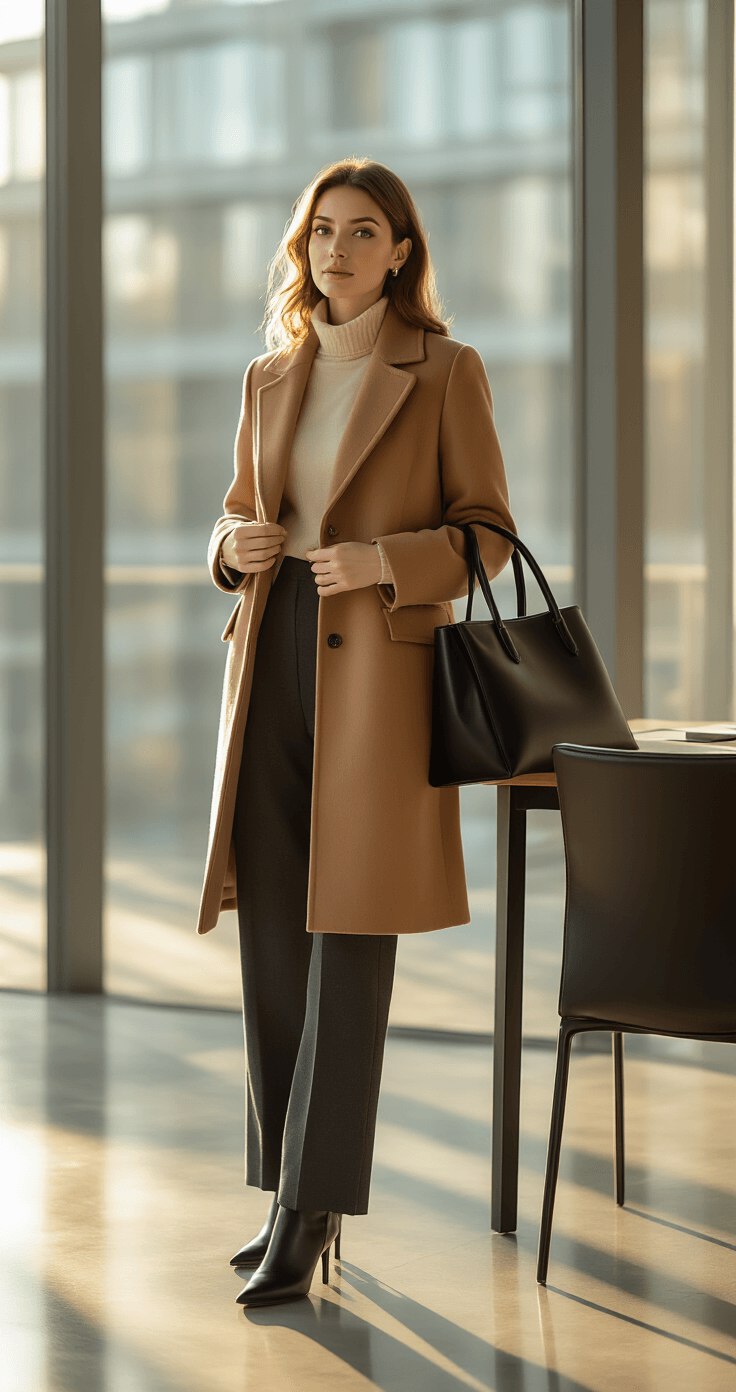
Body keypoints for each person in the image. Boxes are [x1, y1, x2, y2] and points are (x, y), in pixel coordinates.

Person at [199, 158, 515, 1308]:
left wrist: (385, 563)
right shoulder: (269, 374)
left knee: (351, 942)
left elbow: (487, 533)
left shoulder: (444, 371)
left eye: (363, 231)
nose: (337, 248)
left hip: (375, 679)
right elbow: (238, 512)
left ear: (400, 250)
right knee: (274, 930)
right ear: (303, 247)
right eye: (321, 230)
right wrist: (231, 549)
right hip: (271, 659)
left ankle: (309, 1202)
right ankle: (287, 1190)